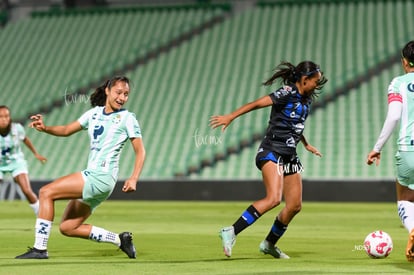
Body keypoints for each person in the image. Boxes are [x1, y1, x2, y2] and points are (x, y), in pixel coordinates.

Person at [15, 76, 146, 259]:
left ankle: (40, 249)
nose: (122, 97)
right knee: (68, 227)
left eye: (126, 94)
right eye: (118, 92)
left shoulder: (127, 118)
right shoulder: (93, 114)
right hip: (98, 180)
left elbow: (140, 151)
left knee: (46, 192)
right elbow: (67, 129)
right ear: (108, 90)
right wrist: (45, 128)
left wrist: (133, 178)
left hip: (100, 176)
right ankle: (119, 240)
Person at [210, 61, 327, 259]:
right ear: (305, 80)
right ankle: (231, 231)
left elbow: (295, 124)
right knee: (273, 198)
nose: (318, 85)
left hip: (290, 155)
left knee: (294, 206)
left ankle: (269, 244)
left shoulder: (306, 99)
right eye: (315, 81)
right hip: (272, 150)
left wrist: (305, 143)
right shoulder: (287, 93)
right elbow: (256, 103)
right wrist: (231, 116)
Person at [366, 40, 414, 262]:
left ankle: (413, 229)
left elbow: (394, 116)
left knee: (405, 199)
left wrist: (377, 148)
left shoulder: (398, 83)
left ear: (405, 62)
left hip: (408, 150)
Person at [0, 105, 46, 215]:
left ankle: (42, 215)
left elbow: (25, 139)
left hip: (16, 162)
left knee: (26, 190)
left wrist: (36, 154)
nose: (4, 119)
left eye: (6, 116)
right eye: (0, 116)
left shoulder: (17, 128)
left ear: (10, 117)